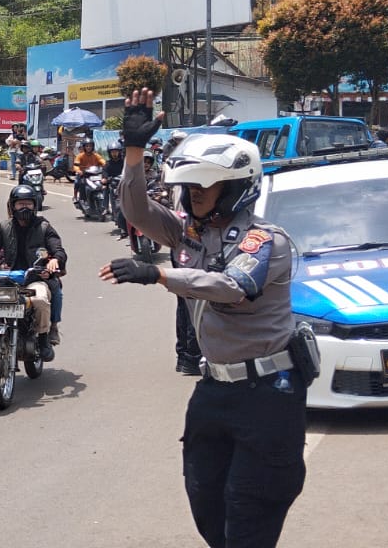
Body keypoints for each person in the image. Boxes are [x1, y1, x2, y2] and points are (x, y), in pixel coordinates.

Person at [103, 88, 305, 548]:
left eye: (203, 187)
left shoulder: (265, 241)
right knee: (207, 505)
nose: (192, 195)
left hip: (268, 396)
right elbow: (135, 210)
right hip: (214, 389)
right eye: (188, 187)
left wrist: (158, 274)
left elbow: (232, 287)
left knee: (247, 512)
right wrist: (133, 154)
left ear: (234, 187)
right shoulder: (185, 231)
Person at [0, 184, 67, 358]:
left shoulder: (44, 227)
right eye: (20, 204)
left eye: (28, 203)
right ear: (13, 206)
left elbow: (58, 249)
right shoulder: (3, 227)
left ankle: (43, 338)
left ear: (35, 205)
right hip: (8, 278)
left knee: (41, 299)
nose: (25, 207)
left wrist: (55, 260)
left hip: (35, 278)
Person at [73, 139, 105, 206]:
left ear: (92, 147)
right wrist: (79, 171)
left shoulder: (96, 155)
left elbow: (102, 161)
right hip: (83, 174)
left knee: (102, 183)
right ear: (84, 147)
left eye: (90, 146)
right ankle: (76, 197)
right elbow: (76, 166)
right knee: (77, 182)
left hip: (94, 174)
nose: (88, 147)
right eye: (87, 146)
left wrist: (105, 165)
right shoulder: (80, 156)